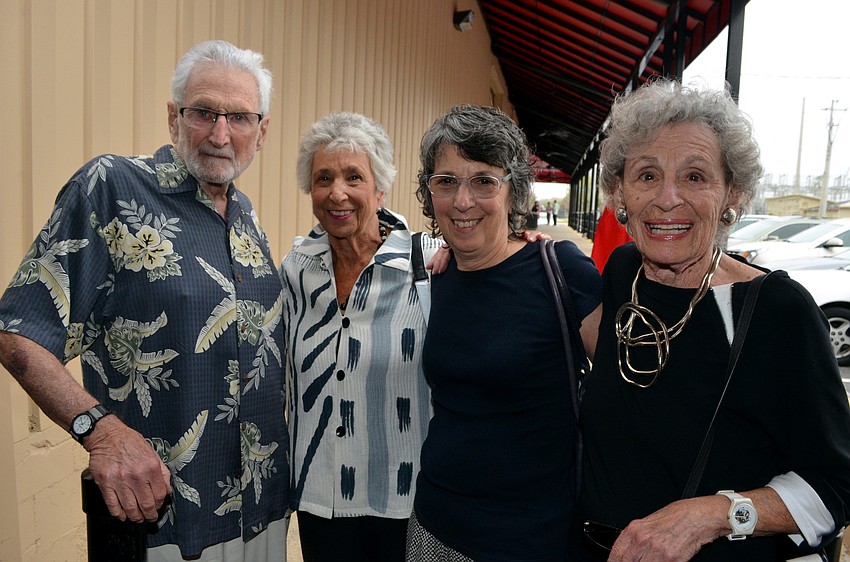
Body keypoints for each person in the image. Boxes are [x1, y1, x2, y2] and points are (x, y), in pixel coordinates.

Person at [0, 40, 289, 561]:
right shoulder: (112, 187)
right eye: (204, 112)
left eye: (240, 118)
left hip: (261, 513)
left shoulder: (246, 218)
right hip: (161, 522)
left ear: (261, 131)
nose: (221, 135)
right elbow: (18, 330)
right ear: (173, 117)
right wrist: (101, 433)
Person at [568, 78, 850, 561]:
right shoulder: (622, 274)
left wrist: (711, 515)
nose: (667, 198)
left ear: (732, 194)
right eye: (647, 175)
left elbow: (834, 487)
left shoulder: (776, 311)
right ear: (619, 192)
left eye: (695, 177)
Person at [406, 104, 603, 561]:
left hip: (532, 538)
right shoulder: (435, 277)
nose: (462, 200)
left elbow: (628, 392)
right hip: (435, 528)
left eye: (483, 181)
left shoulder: (561, 271)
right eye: (446, 181)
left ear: (513, 191)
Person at [280, 112, 443, 562]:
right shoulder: (296, 269)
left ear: (380, 187)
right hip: (320, 497)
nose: (337, 193)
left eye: (354, 176)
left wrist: (525, 245)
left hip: (405, 499)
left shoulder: (429, 264)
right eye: (323, 178)